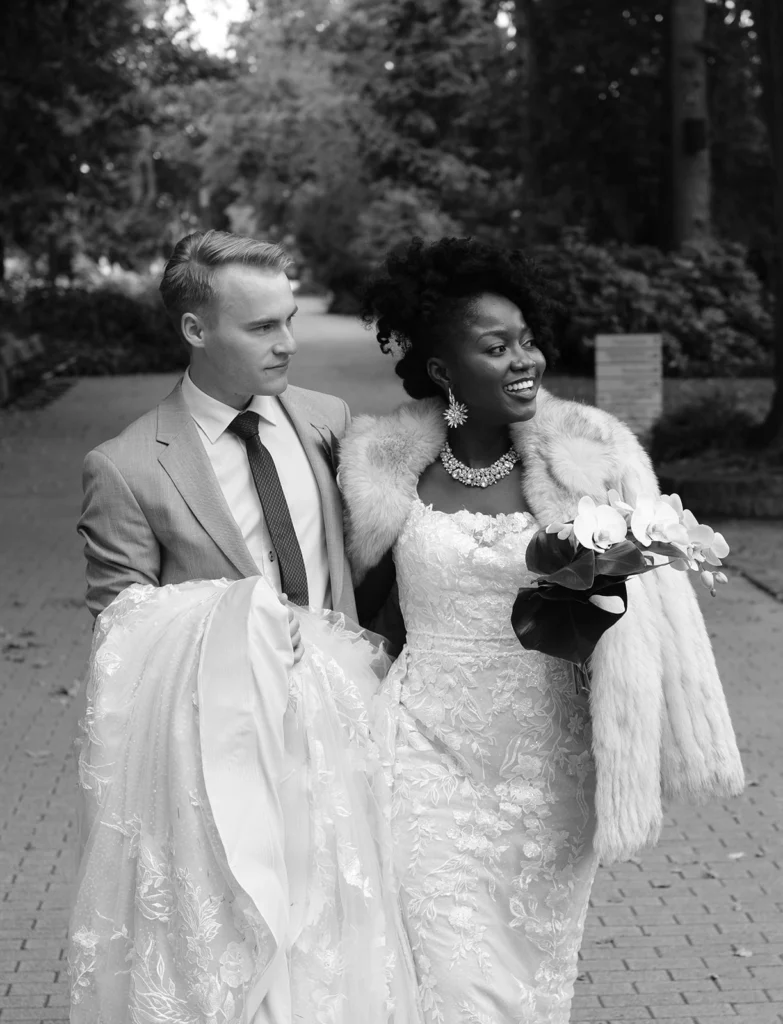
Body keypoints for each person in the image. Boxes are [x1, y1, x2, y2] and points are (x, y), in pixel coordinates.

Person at [337, 236, 745, 1023]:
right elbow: (368, 608)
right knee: (448, 986)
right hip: (423, 754)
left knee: (531, 988)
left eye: (526, 340)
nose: (524, 359)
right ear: (441, 368)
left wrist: (582, 578)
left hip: (547, 767)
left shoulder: (592, 455)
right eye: (496, 347)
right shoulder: (380, 461)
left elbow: (642, 626)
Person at [78, 229, 355, 628]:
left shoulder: (330, 419)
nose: (289, 345)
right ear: (196, 331)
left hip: (347, 682)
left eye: (289, 320)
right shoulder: (124, 468)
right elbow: (123, 631)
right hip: (218, 690)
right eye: (263, 328)